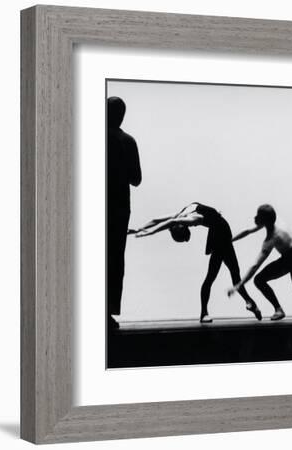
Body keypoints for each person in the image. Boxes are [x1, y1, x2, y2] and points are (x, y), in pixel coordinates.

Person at [134, 202, 262, 323]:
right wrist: (140, 229)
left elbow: (162, 221)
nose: (190, 225)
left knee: (228, 275)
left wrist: (148, 231)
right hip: (220, 235)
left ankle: (246, 303)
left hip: (221, 234)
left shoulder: (186, 217)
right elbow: (158, 221)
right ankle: (246, 303)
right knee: (224, 275)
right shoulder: (185, 215)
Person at [227, 204, 292, 321]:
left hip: (290, 258)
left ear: (264, 220)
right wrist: (230, 240)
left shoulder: (272, 238)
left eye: (258, 216)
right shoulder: (275, 222)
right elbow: (248, 231)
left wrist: (239, 285)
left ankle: (278, 310)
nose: (254, 218)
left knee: (259, 280)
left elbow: (255, 266)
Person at [107, 97, 142, 330]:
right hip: (119, 207)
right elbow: (136, 179)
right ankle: (107, 311)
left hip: (96, 204)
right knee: (115, 258)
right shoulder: (127, 141)